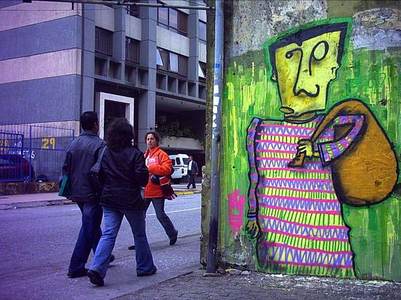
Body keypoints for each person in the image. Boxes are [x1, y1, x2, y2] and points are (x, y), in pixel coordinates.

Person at [87, 118, 156, 287]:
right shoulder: (135, 154)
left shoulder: (104, 152)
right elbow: (142, 179)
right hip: (131, 199)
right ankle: (144, 267)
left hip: (109, 198)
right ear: (129, 135)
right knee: (139, 234)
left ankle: (96, 268)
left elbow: (99, 175)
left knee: (108, 233)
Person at [63, 111, 113, 278]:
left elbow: (66, 168)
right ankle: (76, 266)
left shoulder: (73, 144)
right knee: (88, 226)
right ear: (95, 125)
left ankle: (103, 254)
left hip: (76, 191)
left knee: (90, 223)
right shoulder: (100, 145)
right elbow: (101, 171)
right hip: (92, 192)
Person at [144, 131, 178, 246]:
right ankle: (140, 242)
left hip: (157, 191)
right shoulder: (145, 155)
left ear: (156, 140)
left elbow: (167, 169)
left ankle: (172, 233)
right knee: (139, 216)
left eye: (152, 139)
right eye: (148, 139)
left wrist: (151, 168)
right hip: (145, 190)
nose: (149, 141)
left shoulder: (161, 154)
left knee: (160, 215)